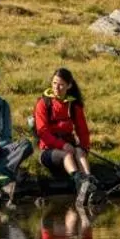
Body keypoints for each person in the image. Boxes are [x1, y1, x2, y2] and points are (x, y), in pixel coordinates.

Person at [34, 67, 98, 206]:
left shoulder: (74, 105)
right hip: (48, 150)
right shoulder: (43, 103)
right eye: (55, 83)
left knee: (80, 152)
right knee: (67, 155)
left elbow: (83, 130)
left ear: (69, 85)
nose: (57, 87)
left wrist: (84, 147)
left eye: (61, 84)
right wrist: (62, 145)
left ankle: (88, 181)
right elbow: (42, 132)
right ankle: (78, 181)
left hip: (69, 146)